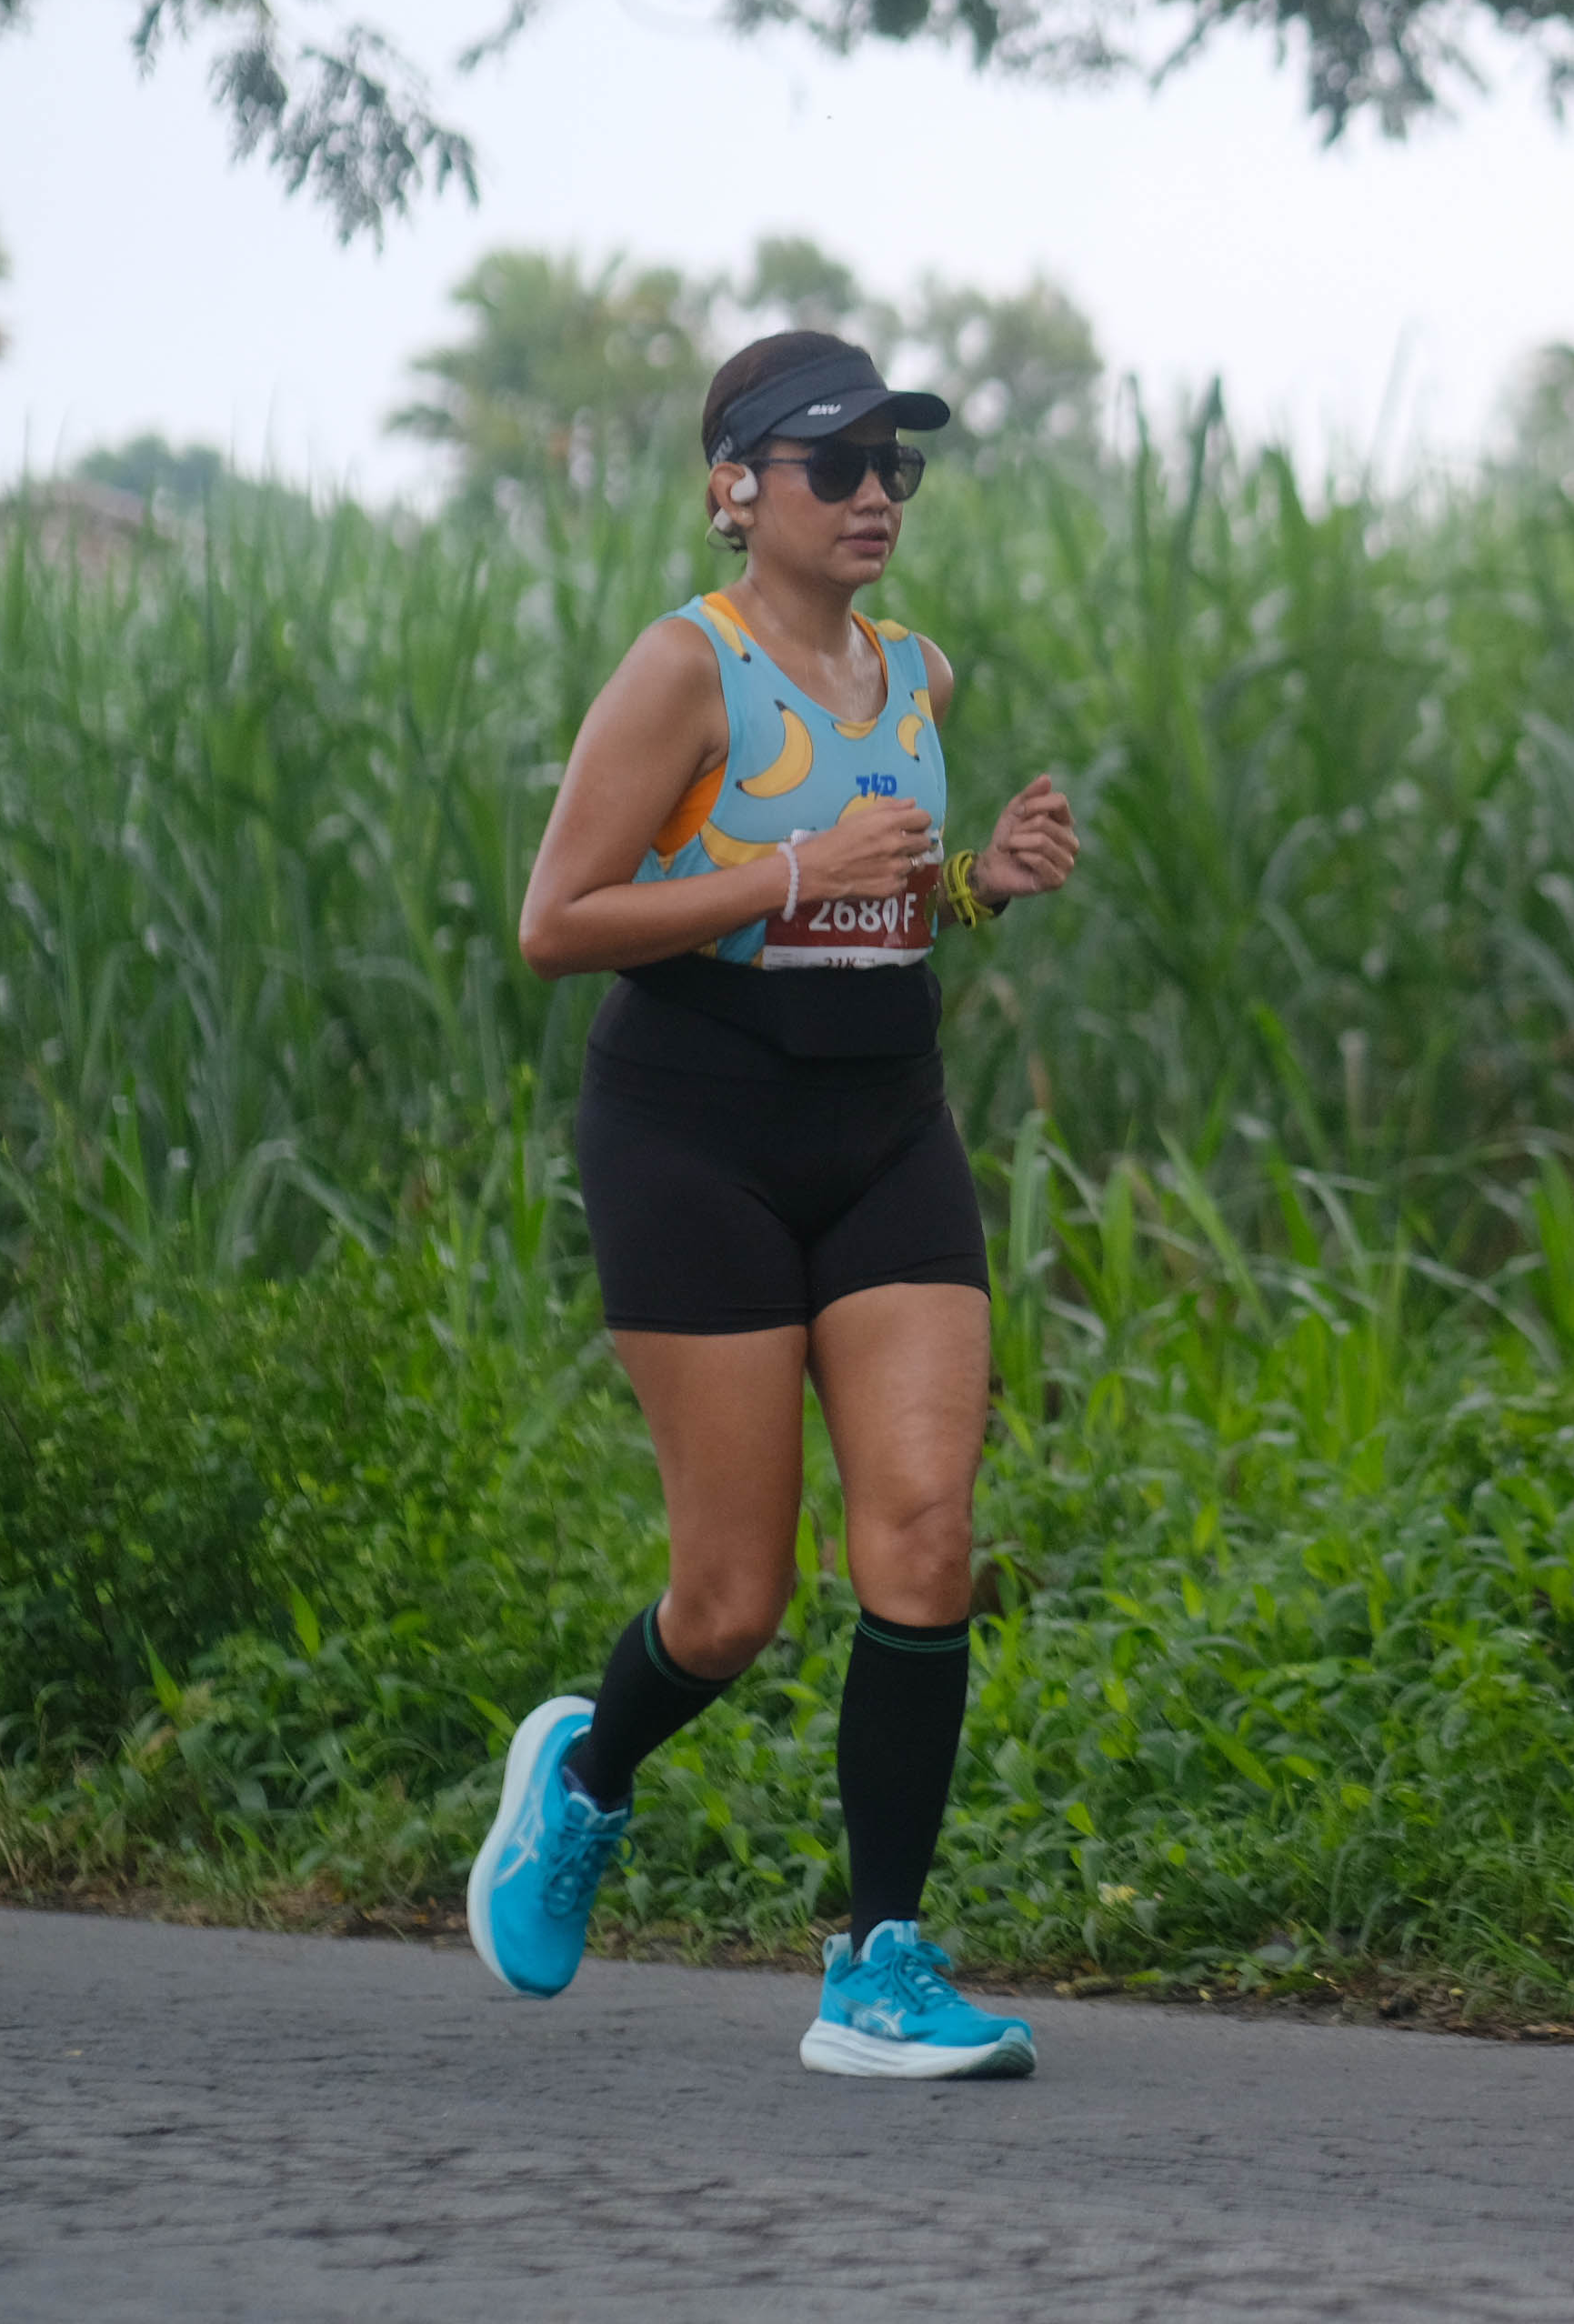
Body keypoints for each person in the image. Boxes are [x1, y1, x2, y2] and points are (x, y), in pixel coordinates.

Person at [468, 328, 1083, 2079]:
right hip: (695, 1136)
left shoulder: (918, 676)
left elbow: (879, 910)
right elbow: (556, 923)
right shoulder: (688, 669)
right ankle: (586, 1776)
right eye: (839, 463)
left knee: (927, 1537)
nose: (878, 494)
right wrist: (794, 866)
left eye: (898, 462)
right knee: (733, 1601)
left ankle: (879, 1964)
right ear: (737, 488)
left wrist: (978, 886)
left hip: (887, 1128)